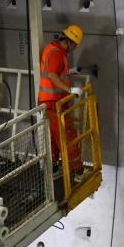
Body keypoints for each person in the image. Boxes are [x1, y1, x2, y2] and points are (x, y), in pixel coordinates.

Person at [37, 24, 84, 175]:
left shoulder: (55, 49)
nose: (74, 49)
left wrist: (70, 71)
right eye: (75, 46)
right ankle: (76, 170)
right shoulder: (57, 53)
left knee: (54, 138)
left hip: (50, 103)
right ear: (69, 42)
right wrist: (69, 90)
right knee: (68, 135)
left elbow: (55, 71)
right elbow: (52, 75)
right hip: (54, 103)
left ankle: (54, 166)